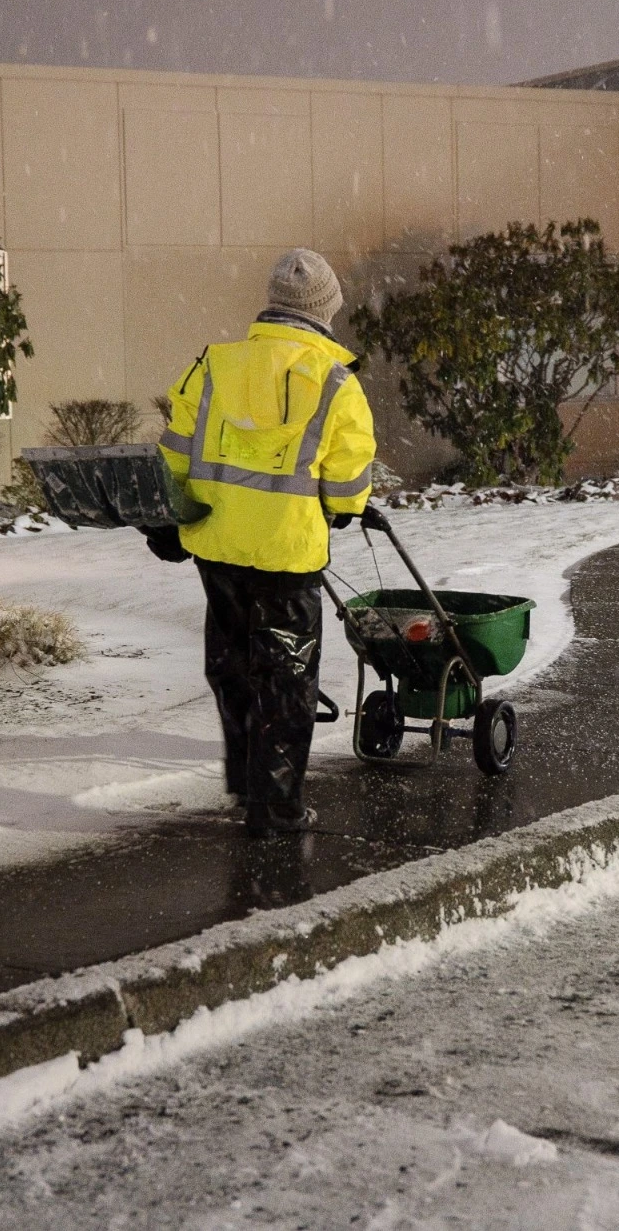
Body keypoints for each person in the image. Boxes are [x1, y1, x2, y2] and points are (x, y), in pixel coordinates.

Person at [149, 248, 376, 837]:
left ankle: (247, 785)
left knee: (233, 666)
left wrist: (168, 520)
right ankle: (277, 806)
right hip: (286, 554)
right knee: (286, 676)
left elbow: (174, 450)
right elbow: (348, 479)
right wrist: (343, 510)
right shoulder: (334, 382)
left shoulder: (214, 366)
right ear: (324, 311)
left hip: (217, 548)